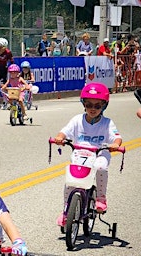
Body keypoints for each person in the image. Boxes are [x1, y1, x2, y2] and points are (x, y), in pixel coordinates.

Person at [53, 82, 122, 226]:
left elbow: (116, 136)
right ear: (83, 103)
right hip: (80, 152)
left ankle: (101, 197)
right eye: (89, 104)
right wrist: (60, 138)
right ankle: (66, 210)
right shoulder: (77, 120)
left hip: (100, 153)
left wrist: (115, 144)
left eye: (97, 106)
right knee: (70, 181)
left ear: (104, 106)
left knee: (101, 167)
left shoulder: (107, 123)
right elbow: (65, 131)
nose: (92, 109)